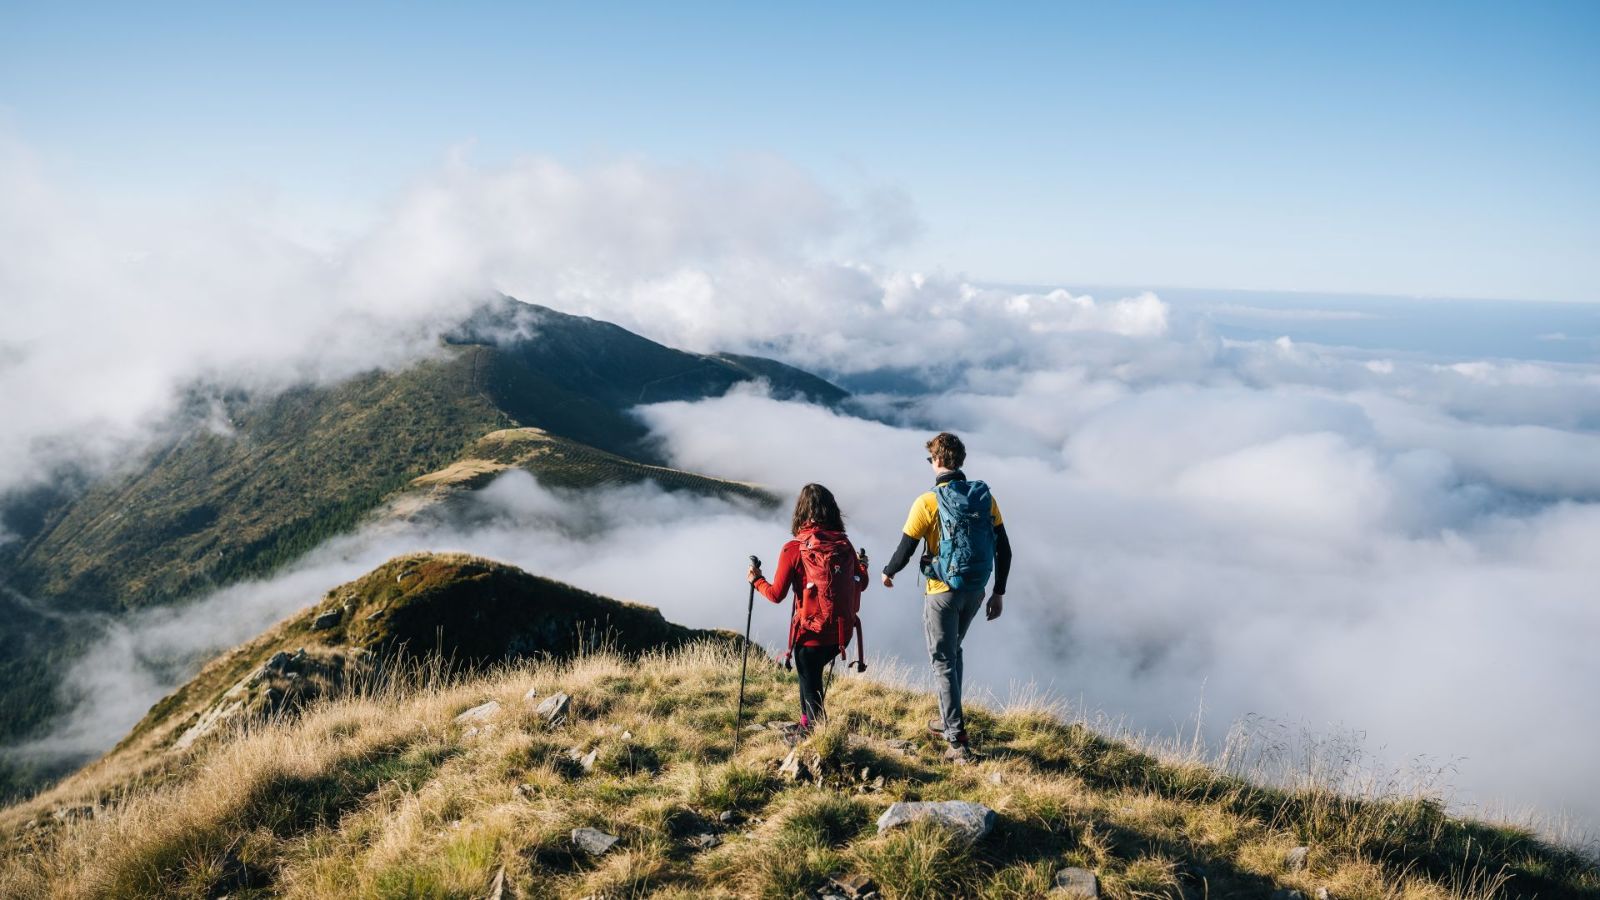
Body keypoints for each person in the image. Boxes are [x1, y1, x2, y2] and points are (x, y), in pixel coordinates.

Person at [880, 432, 1011, 762]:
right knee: (954, 652)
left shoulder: (927, 502)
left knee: (942, 661)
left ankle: (956, 739)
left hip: (941, 592)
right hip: (976, 590)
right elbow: (1005, 550)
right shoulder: (984, 498)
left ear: (937, 461)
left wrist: (888, 572)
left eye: (930, 459)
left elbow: (905, 548)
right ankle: (948, 719)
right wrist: (998, 593)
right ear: (960, 461)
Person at [747, 484, 868, 734]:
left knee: (809, 679)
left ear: (801, 511)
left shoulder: (794, 548)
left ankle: (817, 734)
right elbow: (862, 583)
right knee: (810, 677)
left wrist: (756, 579)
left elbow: (775, 595)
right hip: (841, 634)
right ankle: (806, 725)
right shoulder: (844, 545)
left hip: (811, 634)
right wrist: (862, 566)